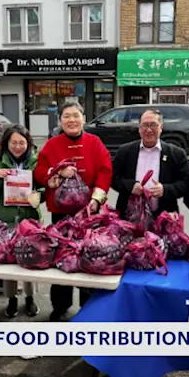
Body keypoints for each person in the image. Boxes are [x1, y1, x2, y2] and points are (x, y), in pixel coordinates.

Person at [34, 102, 113, 322]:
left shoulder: (94, 143)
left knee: (90, 257)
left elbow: (106, 171)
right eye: (66, 116)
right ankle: (60, 305)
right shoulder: (51, 145)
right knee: (61, 258)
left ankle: (88, 306)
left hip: (90, 213)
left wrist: (97, 199)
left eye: (75, 116)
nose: (71, 120)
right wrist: (57, 172)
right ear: (60, 120)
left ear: (83, 118)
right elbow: (40, 172)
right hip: (61, 213)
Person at [0, 124, 43, 318]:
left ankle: (30, 298)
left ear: (28, 143)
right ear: (6, 143)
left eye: (22, 142)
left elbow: (46, 189)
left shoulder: (36, 162)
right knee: (8, 263)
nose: (17, 147)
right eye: (13, 142)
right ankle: (11, 299)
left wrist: (38, 195)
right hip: (6, 222)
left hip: (29, 221)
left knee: (30, 260)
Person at [111, 109, 189, 220]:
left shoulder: (176, 154)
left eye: (154, 125)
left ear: (161, 127)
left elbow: (186, 184)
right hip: (130, 218)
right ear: (139, 129)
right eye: (145, 125)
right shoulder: (125, 151)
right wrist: (130, 186)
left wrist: (165, 189)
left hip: (164, 218)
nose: (149, 130)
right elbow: (114, 178)